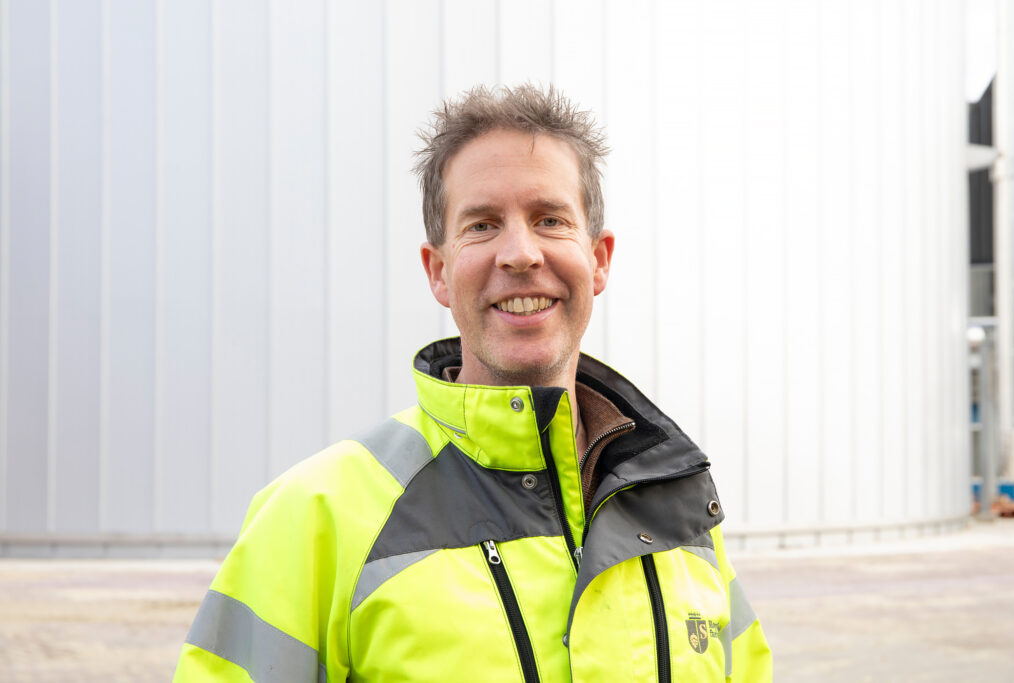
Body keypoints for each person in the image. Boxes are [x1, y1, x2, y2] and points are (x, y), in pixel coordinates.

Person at [174, 84, 771, 682]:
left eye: (550, 219)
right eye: (483, 225)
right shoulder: (317, 514)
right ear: (438, 272)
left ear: (600, 259)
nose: (519, 254)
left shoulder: (675, 505)